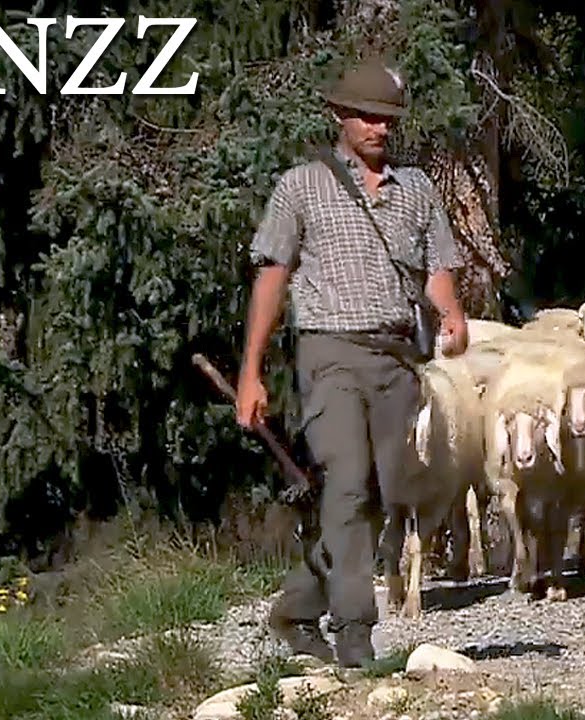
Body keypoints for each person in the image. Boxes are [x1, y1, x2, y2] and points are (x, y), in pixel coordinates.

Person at [234, 55, 469, 667]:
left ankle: (298, 607)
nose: (378, 128)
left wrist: (452, 314)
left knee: (379, 495)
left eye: (387, 119)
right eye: (366, 116)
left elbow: (436, 267)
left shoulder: (416, 189)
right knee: (344, 484)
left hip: (396, 358)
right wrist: (250, 373)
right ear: (339, 116)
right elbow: (271, 277)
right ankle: (357, 637)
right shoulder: (301, 185)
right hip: (329, 353)